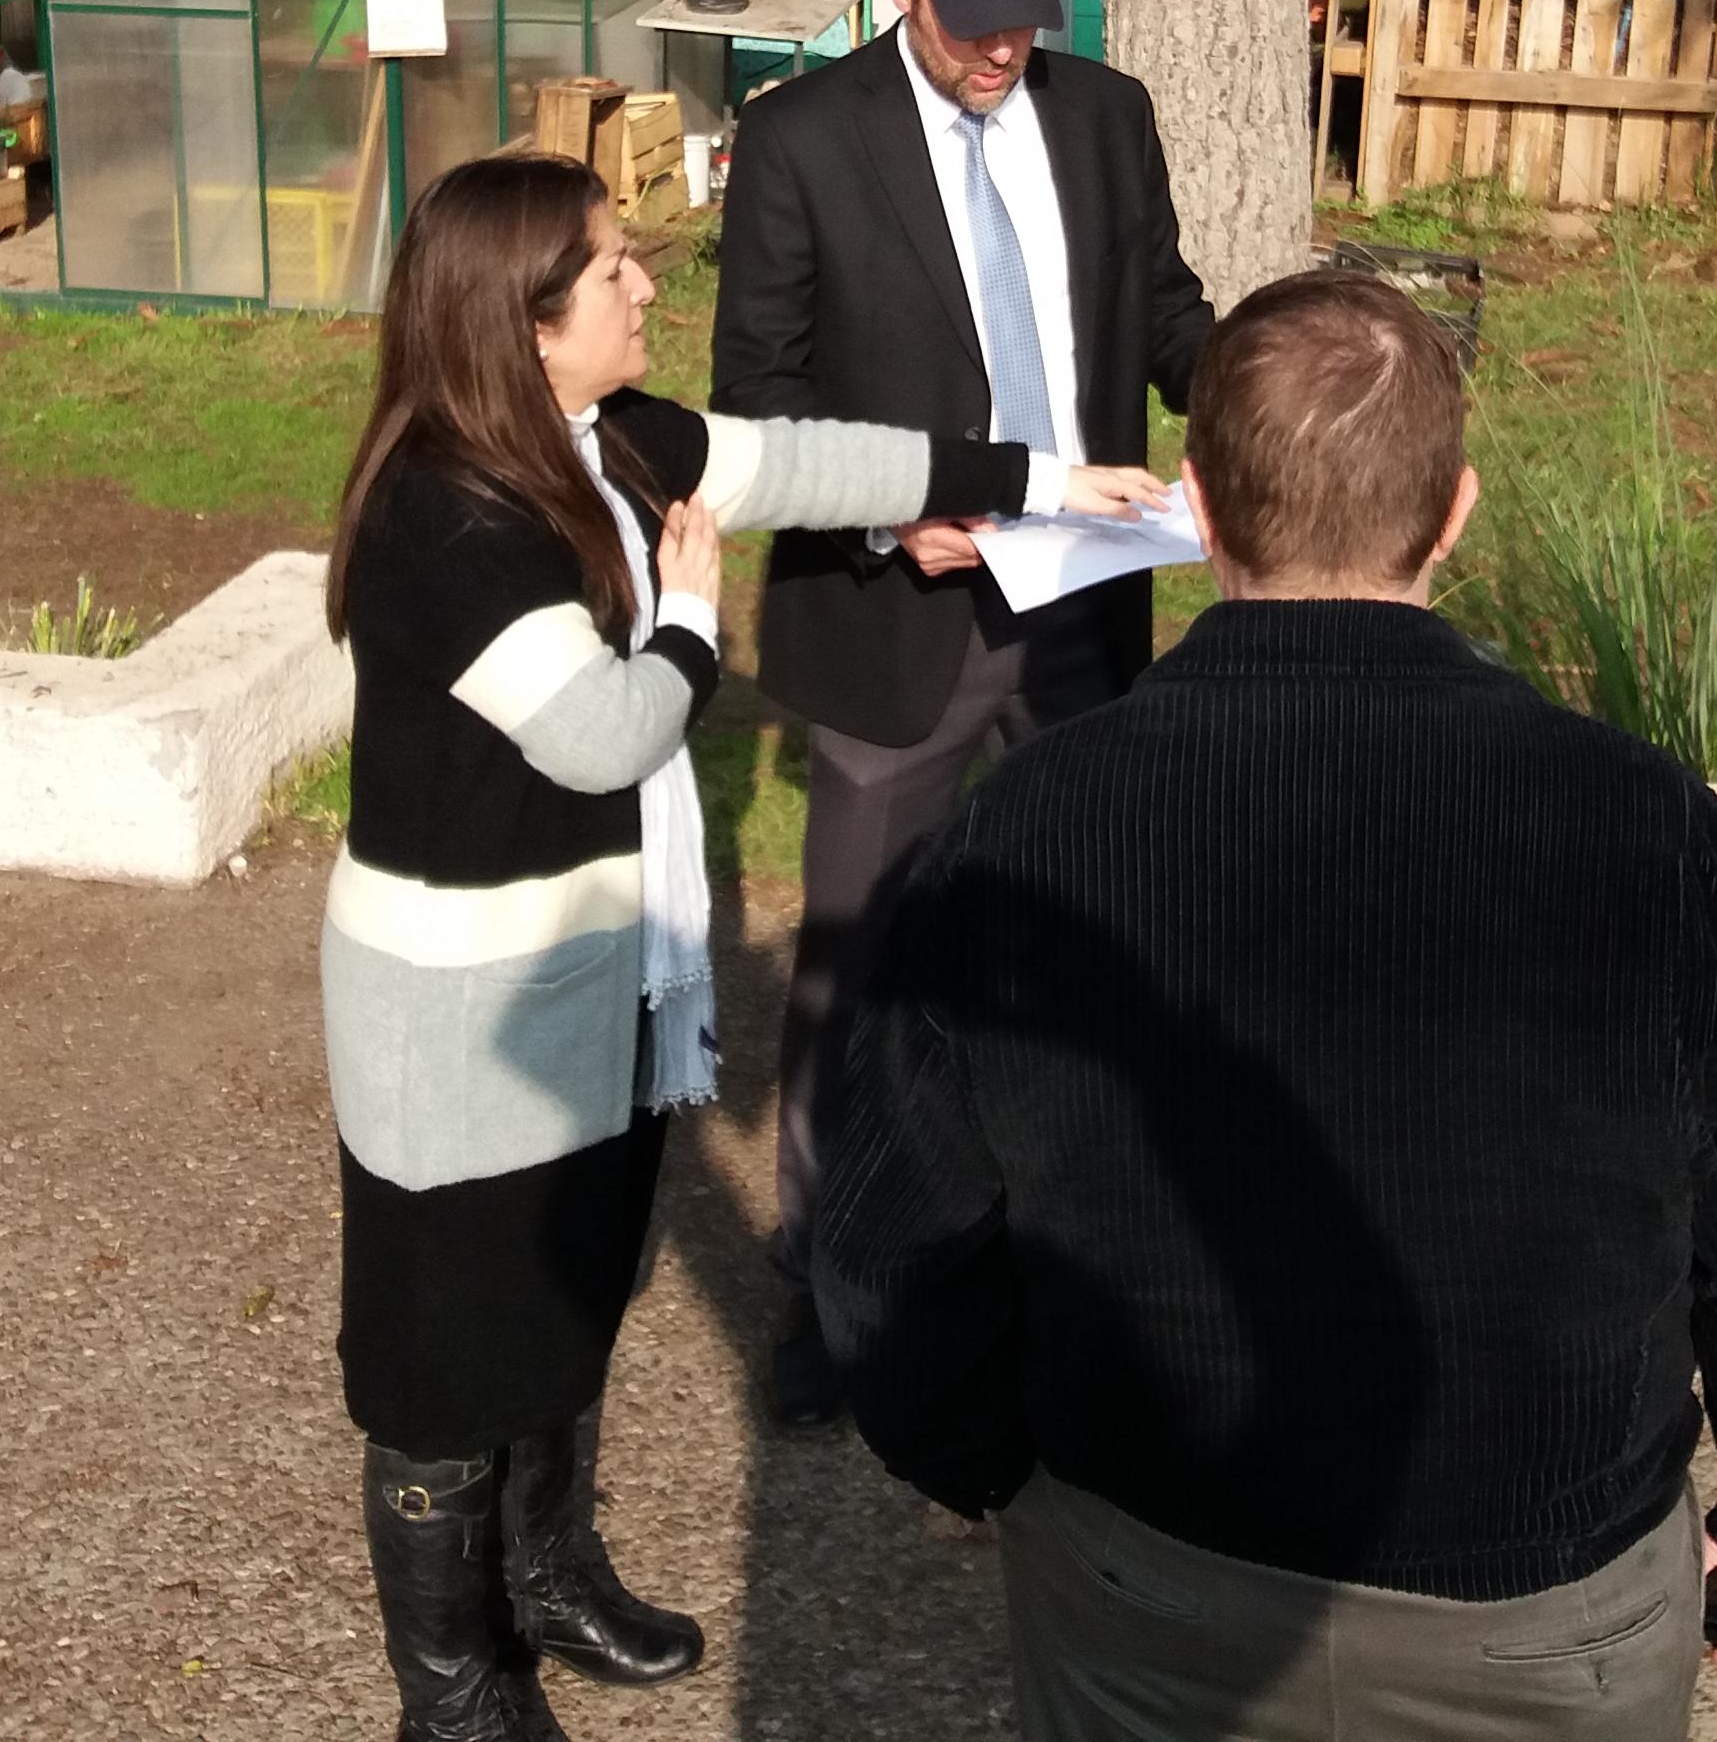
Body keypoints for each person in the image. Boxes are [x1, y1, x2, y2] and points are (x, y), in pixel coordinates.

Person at [811, 269, 1717, 1742]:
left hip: (1151, 1577)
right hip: (1541, 1615)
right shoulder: (1663, 842)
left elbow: (894, 1244)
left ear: (1195, 506)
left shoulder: (1020, 833)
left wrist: (988, 1466)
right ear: (1453, 510)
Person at [321, 152, 1156, 1742]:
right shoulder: (449, 511)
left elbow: (799, 458)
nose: (647, 282)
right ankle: (452, 1692)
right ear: (525, 317)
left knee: (570, 1298)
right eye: (613, 265)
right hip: (460, 1019)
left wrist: (1040, 476)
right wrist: (697, 623)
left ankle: (549, 1574)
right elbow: (604, 730)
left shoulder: (608, 443)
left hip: (590, 983)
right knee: (446, 1370)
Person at [711, 0, 1215, 1427]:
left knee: (1073, 961)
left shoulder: (1104, 114)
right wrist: (885, 514)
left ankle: (1057, 1271)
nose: (1002, 51)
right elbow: (760, 392)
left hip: (1085, 616)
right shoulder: (804, 141)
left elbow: (1168, 312)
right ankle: (828, 1292)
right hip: (896, 623)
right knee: (854, 977)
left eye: (1024, 21)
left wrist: (1261, 418)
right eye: (971, 20)